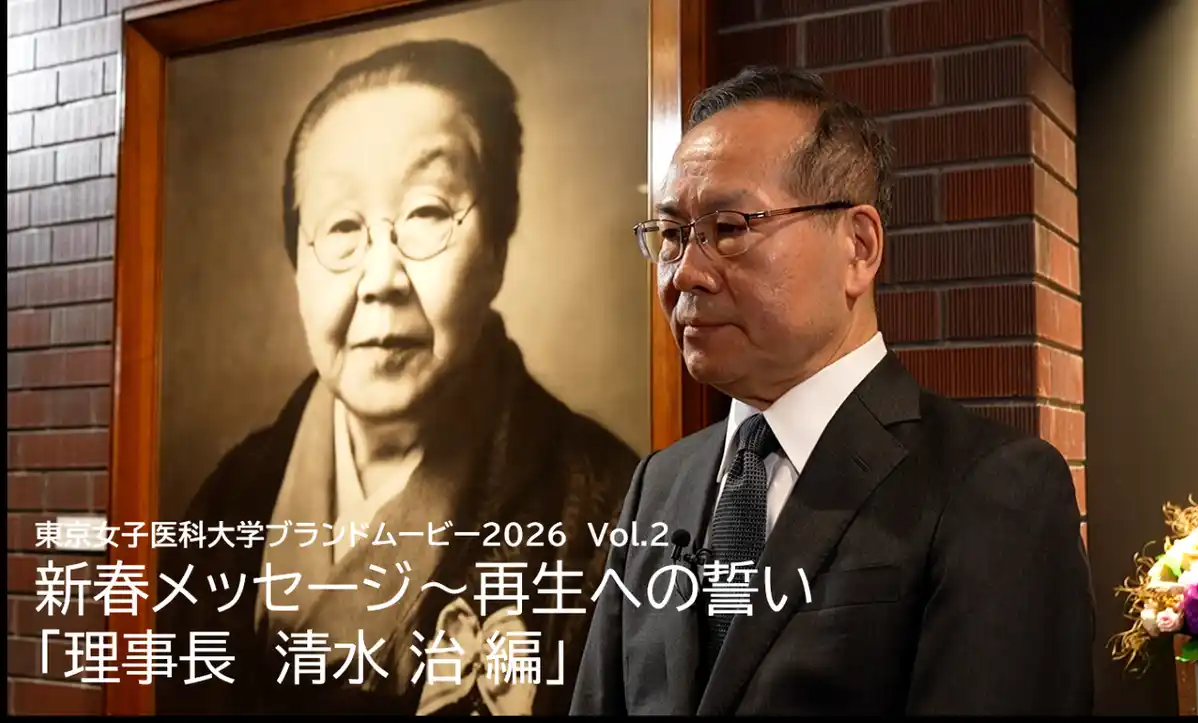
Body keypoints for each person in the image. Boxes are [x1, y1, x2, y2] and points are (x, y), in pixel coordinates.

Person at [569, 66, 1095, 716]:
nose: (687, 274)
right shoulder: (660, 483)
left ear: (859, 246)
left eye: (729, 227)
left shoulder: (991, 486)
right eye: (673, 235)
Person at [157, 39, 639, 716]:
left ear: (497, 246)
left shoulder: (604, 508)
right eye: (341, 226)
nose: (380, 278)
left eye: (427, 212)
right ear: (297, 264)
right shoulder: (230, 496)